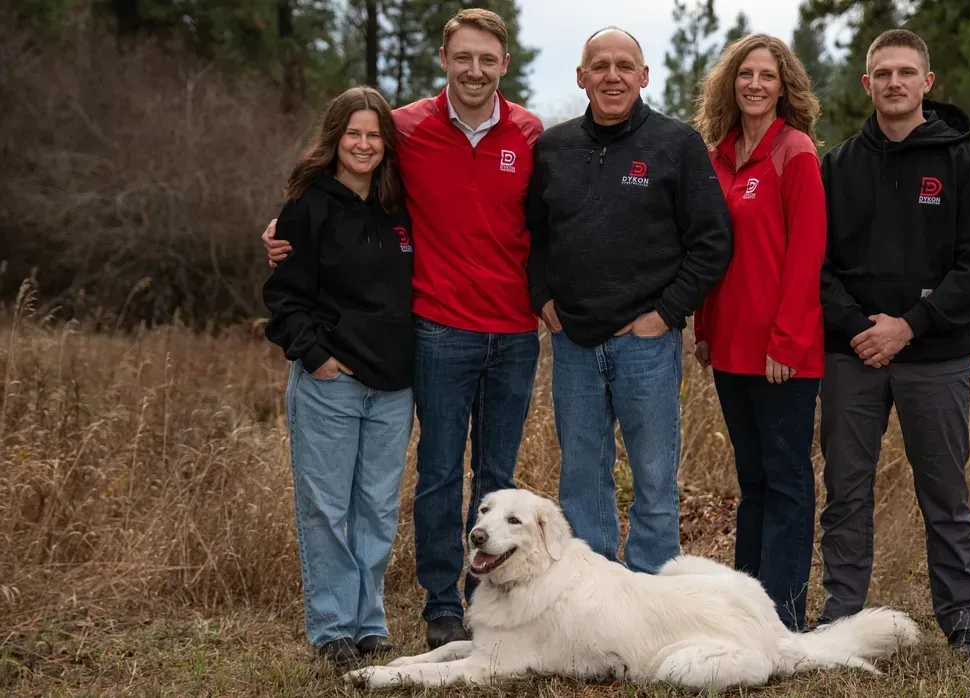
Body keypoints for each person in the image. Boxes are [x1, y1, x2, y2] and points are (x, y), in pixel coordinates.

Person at [264, 9, 544, 650]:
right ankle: (436, 607)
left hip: (507, 333)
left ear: (504, 64)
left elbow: (557, 222)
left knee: (493, 478)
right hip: (438, 332)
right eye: (463, 57)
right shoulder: (407, 128)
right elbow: (332, 191)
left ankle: (489, 606)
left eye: (488, 59)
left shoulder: (530, 132)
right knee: (440, 475)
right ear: (444, 58)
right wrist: (285, 234)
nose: (475, 69)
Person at [814, 28, 970, 664]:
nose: (894, 83)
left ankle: (963, 619)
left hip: (937, 359)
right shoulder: (836, 166)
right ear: (867, 85)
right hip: (851, 355)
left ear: (927, 83)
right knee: (845, 490)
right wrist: (859, 328)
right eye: (882, 73)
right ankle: (841, 613)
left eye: (906, 72)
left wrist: (909, 326)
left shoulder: (966, 165)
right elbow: (816, 265)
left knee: (945, 492)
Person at [525, 27, 732, 575]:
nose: (611, 76)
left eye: (624, 66)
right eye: (600, 66)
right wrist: (541, 295)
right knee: (582, 483)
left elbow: (713, 241)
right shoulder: (553, 147)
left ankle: (652, 597)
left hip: (647, 344)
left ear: (644, 76)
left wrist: (665, 314)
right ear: (581, 77)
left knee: (655, 483)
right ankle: (591, 603)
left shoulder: (676, 144)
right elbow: (534, 236)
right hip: (574, 342)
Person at [262, 86, 414, 666]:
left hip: (394, 385)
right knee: (327, 509)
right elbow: (285, 297)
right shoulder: (307, 206)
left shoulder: (400, 205)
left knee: (376, 509)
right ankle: (332, 630)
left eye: (374, 135)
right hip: (331, 382)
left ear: (385, 144)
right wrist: (317, 357)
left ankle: (368, 622)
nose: (364, 144)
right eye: (354, 133)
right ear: (335, 138)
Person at [689, 33, 827, 632]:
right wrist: (704, 325)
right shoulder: (717, 155)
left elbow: (807, 253)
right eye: (745, 74)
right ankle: (748, 615)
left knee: (787, 483)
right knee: (752, 483)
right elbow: (711, 250)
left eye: (767, 75)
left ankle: (787, 619)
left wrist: (788, 341)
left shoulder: (794, 152)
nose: (754, 84)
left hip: (782, 352)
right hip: (729, 347)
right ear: (730, 82)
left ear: (783, 85)